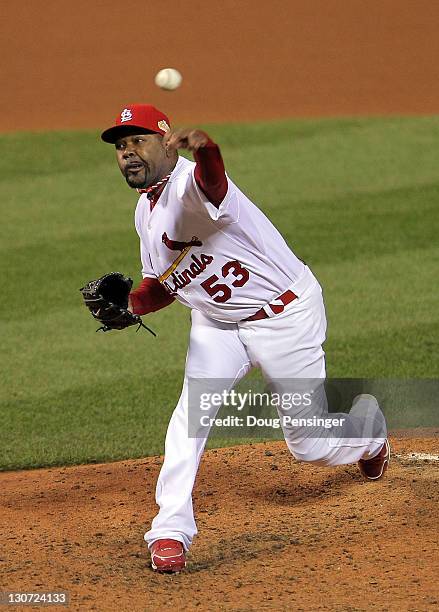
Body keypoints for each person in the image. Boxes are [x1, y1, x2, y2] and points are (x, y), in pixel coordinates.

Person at [100, 104, 390, 573]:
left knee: (309, 445)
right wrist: (132, 305)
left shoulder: (193, 185)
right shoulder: (144, 212)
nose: (128, 153)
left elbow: (213, 182)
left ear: (167, 142)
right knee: (189, 418)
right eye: (120, 146)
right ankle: (170, 531)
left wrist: (208, 148)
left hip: (284, 317)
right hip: (216, 325)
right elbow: (164, 285)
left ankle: (369, 432)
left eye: (138, 140)